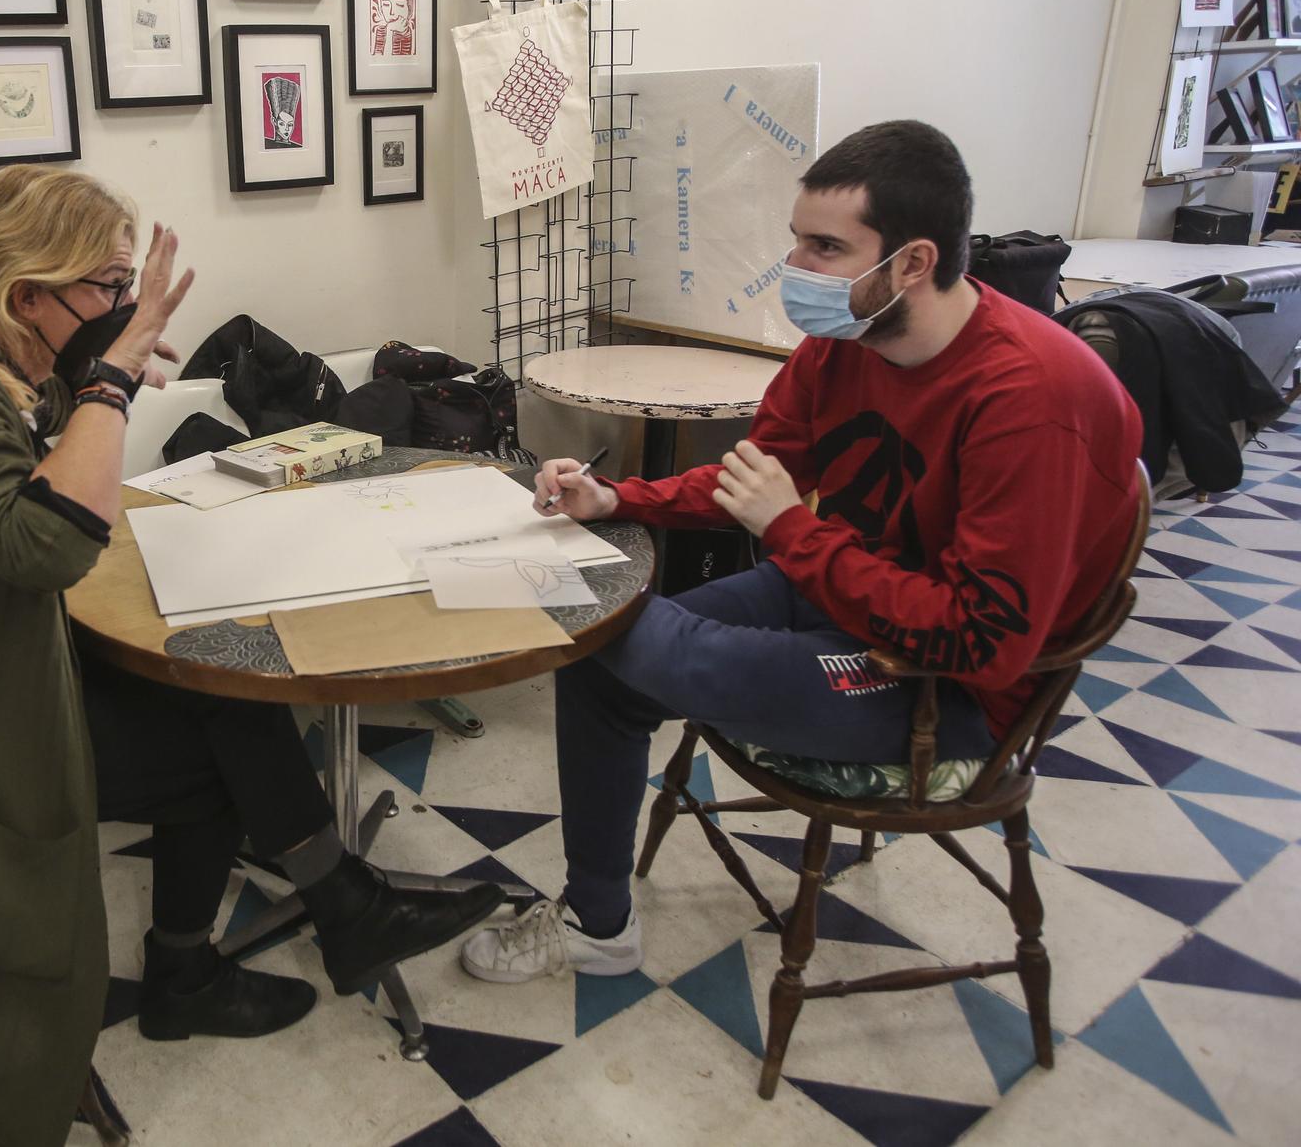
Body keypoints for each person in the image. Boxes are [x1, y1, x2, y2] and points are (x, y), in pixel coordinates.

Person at [0, 165, 502, 1146]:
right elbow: (46, 540)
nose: (124, 307)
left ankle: (293, 926)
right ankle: (272, 937)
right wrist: (108, 379)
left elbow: (23, 518)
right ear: (22, 294)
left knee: (217, 679)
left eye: (129, 287)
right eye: (105, 286)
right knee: (224, 719)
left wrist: (92, 370)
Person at [459, 120, 1144, 983]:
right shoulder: (845, 341)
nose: (799, 269)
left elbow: (985, 641)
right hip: (839, 592)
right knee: (599, 654)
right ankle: (599, 922)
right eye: (797, 241)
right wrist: (618, 497)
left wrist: (792, 531)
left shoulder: (1032, 398)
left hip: (944, 689)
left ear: (913, 263)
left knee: (607, 633)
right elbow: (755, 477)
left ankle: (596, 914)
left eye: (826, 247)